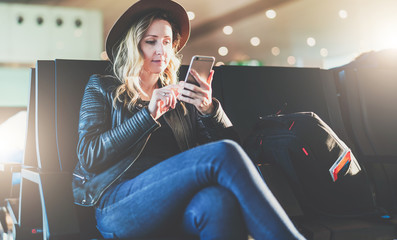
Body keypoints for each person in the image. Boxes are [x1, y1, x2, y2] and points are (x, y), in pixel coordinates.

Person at [72, 0, 306, 239]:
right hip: (118, 205)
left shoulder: (179, 96)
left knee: (217, 202)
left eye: (166, 42)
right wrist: (149, 114)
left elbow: (232, 150)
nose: (161, 51)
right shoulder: (102, 87)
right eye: (151, 41)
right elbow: (89, 156)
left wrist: (208, 109)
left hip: (175, 201)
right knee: (222, 155)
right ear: (134, 45)